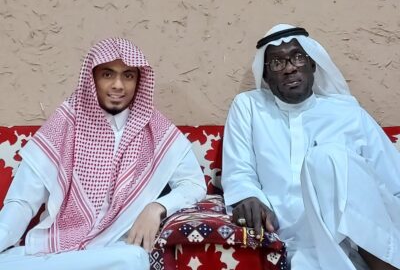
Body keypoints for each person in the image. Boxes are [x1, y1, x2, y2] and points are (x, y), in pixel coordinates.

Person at [0, 37, 206, 270]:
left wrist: (157, 207)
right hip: (57, 247)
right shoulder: (64, 124)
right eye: (108, 74)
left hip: (113, 249)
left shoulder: (156, 130)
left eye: (128, 75)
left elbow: (193, 184)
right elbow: (22, 202)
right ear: (92, 79)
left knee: (132, 259)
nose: (118, 85)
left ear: (139, 81)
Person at [222, 24, 400, 270]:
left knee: (326, 157)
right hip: (296, 241)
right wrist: (247, 196)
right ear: (266, 77)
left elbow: (394, 183)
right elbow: (239, 171)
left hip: (363, 239)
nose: (290, 68)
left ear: (313, 64)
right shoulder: (249, 108)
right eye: (277, 63)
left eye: (298, 57)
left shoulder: (349, 113)